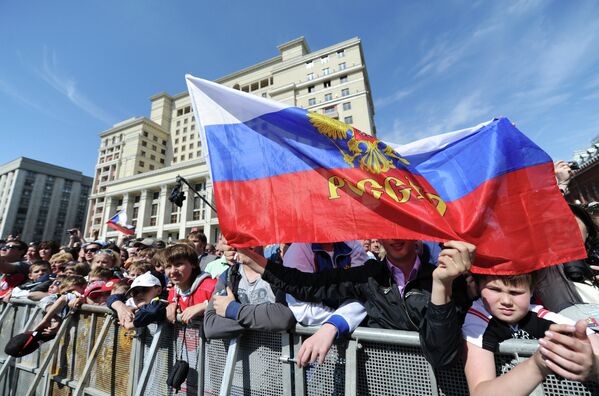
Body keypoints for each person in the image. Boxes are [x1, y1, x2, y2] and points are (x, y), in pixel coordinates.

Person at [224, 239, 475, 369]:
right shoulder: (369, 275)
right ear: (378, 235)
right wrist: (257, 262)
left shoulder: (447, 277)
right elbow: (309, 284)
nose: (395, 237)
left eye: (403, 226)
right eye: (388, 227)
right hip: (379, 380)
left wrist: (442, 286)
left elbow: (442, 354)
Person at [462, 272, 599, 395]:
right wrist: (537, 365)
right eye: (495, 289)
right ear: (479, 286)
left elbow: (593, 347)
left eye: (515, 292)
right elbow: (479, 392)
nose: (506, 301)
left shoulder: (540, 315)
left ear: (532, 290)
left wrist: (592, 364)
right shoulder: (478, 320)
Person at [281, 241, 369, 367]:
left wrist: (335, 324)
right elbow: (301, 308)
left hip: (355, 342)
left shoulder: (353, 245)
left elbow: (365, 293)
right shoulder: (298, 250)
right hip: (311, 344)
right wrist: (335, 323)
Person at [203, 246, 296, 339]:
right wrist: (263, 320)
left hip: (279, 351)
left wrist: (232, 309)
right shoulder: (229, 275)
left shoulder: (279, 272)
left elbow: (283, 317)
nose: (246, 242)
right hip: (239, 353)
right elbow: (210, 326)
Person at [164, 243, 217, 325]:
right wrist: (170, 305)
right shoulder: (173, 292)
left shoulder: (212, 286)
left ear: (193, 264)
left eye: (178, 264)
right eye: (168, 266)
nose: (172, 271)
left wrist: (207, 307)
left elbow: (231, 311)